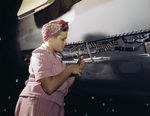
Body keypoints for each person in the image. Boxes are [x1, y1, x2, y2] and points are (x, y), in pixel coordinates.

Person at [15, 19, 85, 116]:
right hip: (37, 103)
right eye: (62, 39)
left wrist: (76, 69)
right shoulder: (40, 55)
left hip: (54, 106)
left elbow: (63, 84)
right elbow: (49, 87)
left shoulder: (57, 60)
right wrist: (69, 69)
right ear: (51, 38)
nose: (65, 43)